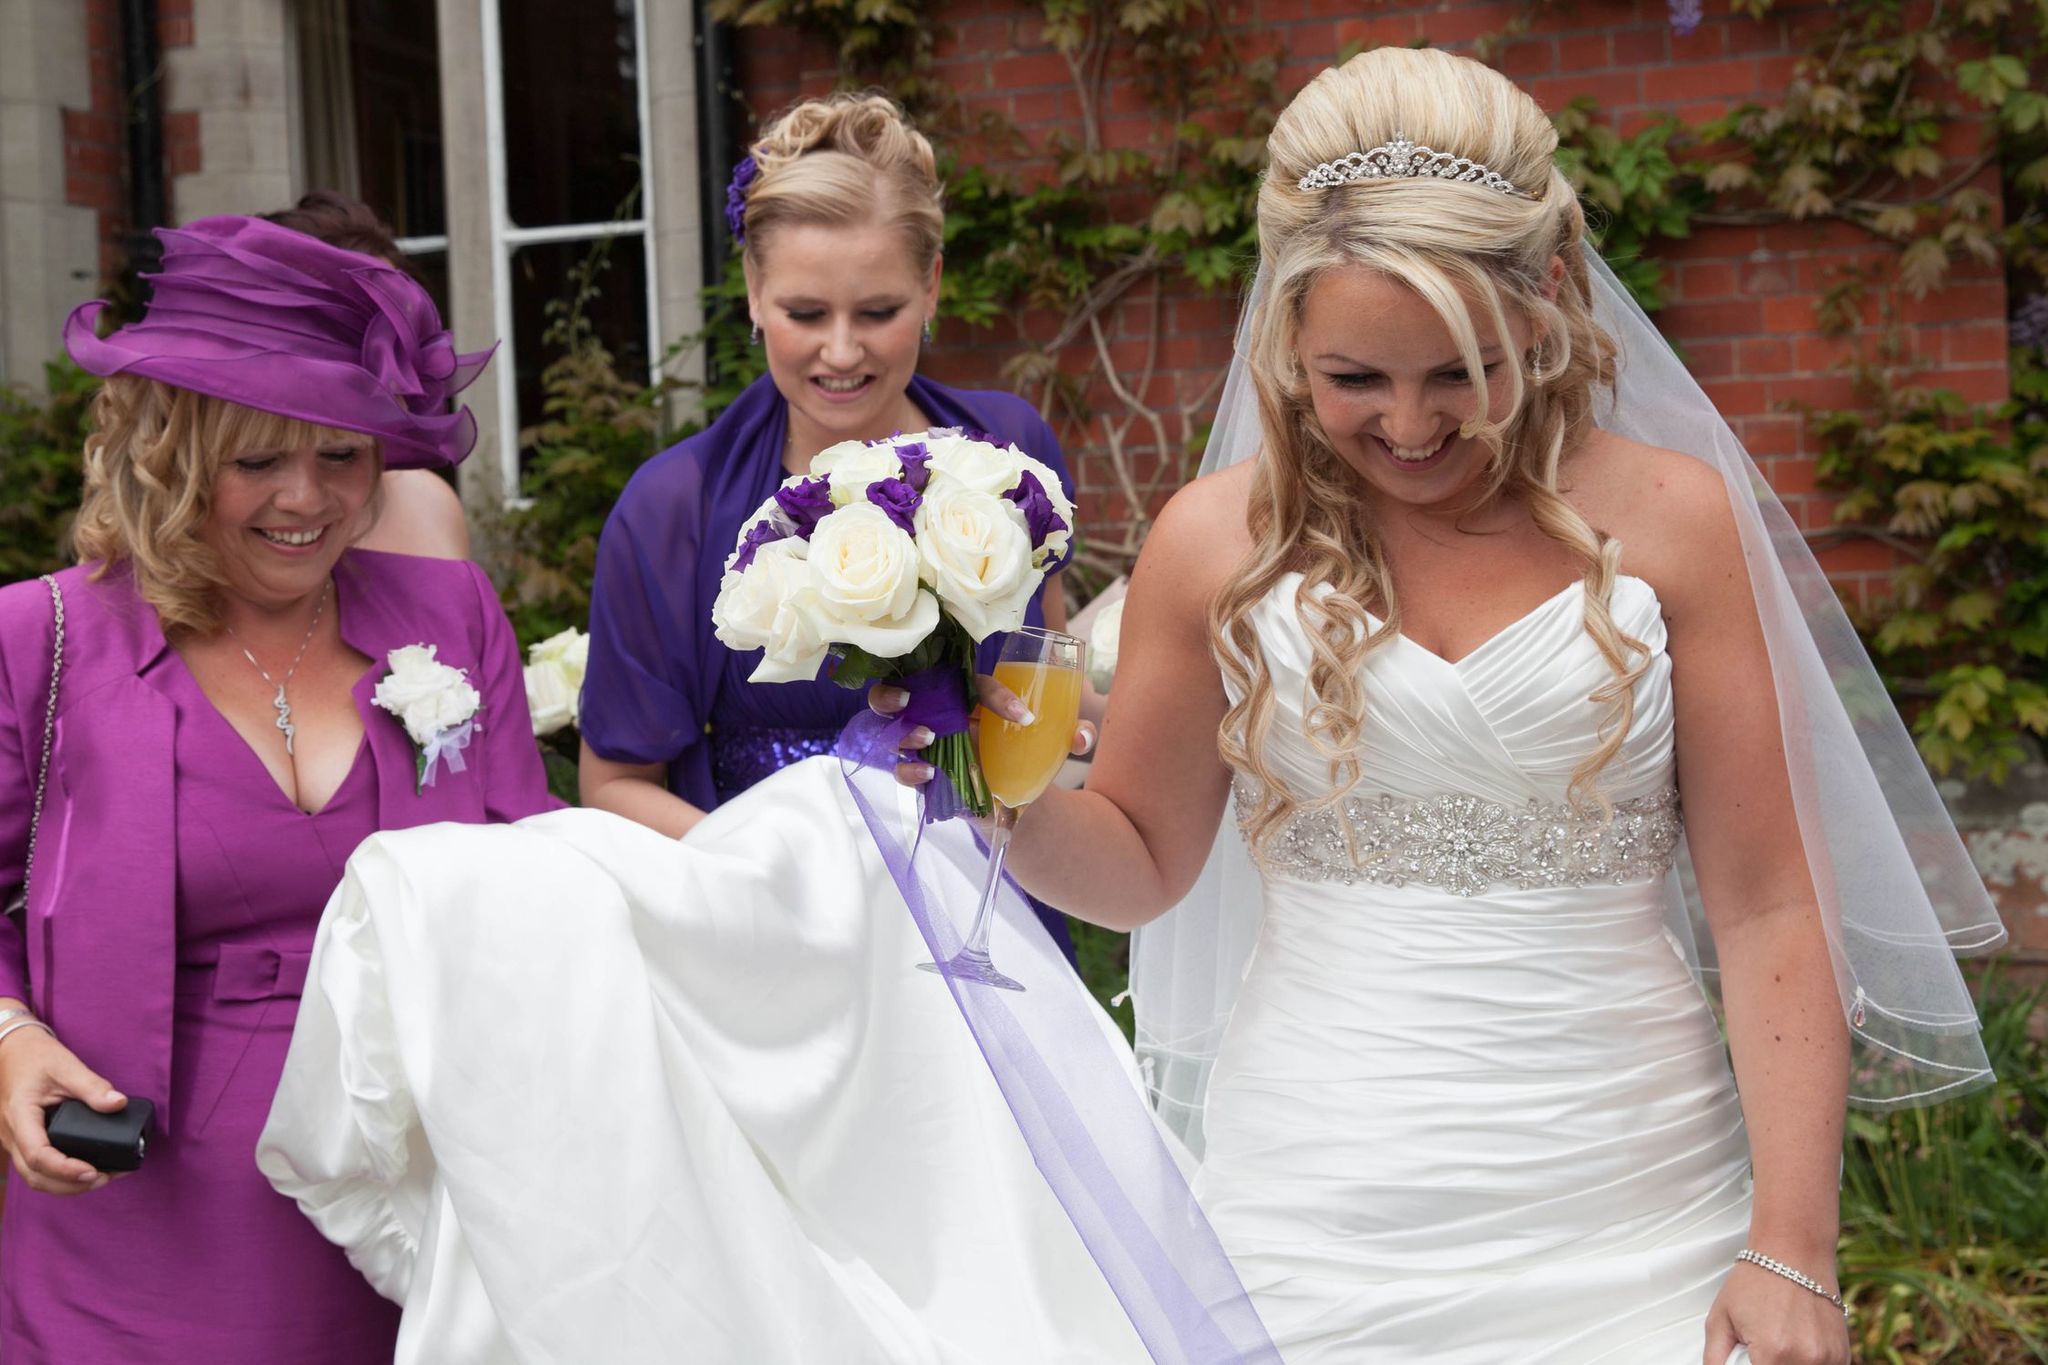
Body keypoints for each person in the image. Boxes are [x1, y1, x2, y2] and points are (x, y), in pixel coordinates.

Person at [256, 47, 1999, 1365]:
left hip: (1636, 1181)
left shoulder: (1670, 522)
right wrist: (978, 771)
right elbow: (1143, 861)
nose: (1407, 427)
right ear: (1283, 343)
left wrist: (1790, 1240)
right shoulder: (1215, 541)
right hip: (1317, 1195)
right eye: (1353, 378)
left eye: (1458, 374)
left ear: (1545, 308)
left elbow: (1766, 904)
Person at [0, 215, 556, 1362]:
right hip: (142, 1224)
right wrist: (8, 1039)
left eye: (342, 457)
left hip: (425, 1215)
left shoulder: (451, 615)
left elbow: (538, 879)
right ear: (171, 455)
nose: (306, 499)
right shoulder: (39, 640)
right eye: (256, 461)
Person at [575, 96, 1080, 887]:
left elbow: (1045, 673)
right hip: (766, 912)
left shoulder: (1008, 458)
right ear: (753, 290)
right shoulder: (670, 510)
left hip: (992, 897)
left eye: (878, 311)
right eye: (805, 312)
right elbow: (613, 784)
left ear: (932, 285)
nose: (840, 352)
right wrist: (775, 883)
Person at [263, 189, 473, 561]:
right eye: (353, 335)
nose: (390, 368)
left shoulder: (427, 502)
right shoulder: (226, 511)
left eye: (398, 335)